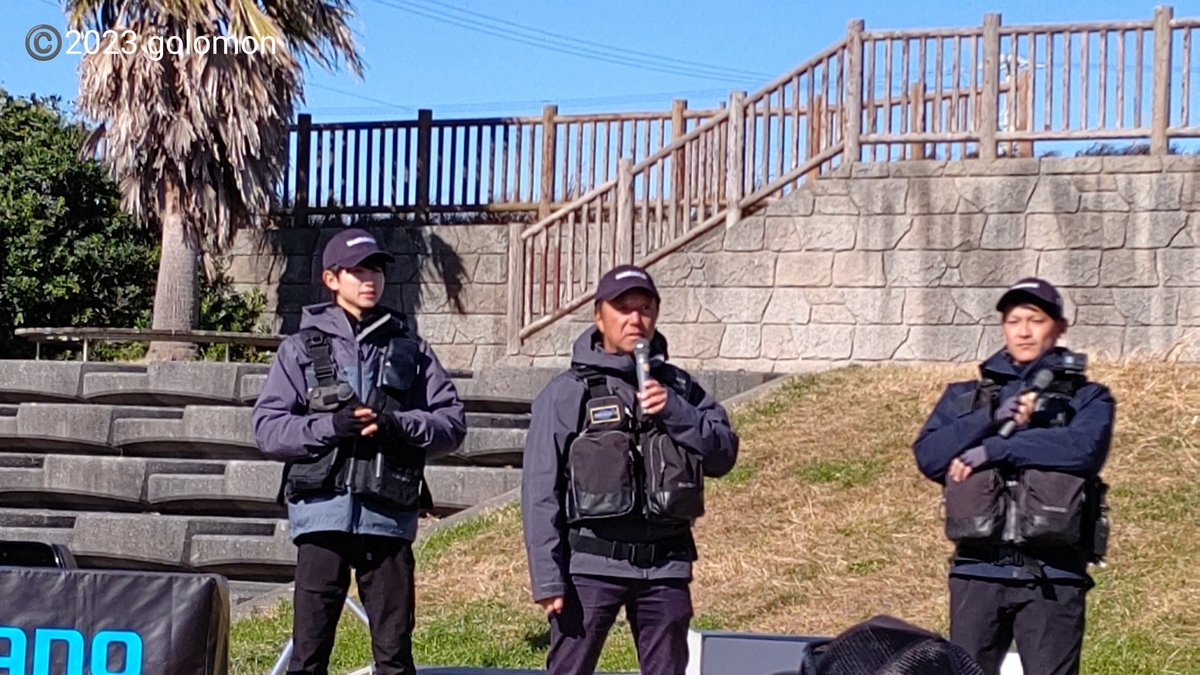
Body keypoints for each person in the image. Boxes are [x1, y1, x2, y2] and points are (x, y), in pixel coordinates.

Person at [253, 228, 467, 675]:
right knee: (308, 656)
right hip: (321, 520)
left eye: (376, 270)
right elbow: (268, 430)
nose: (370, 279)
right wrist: (331, 426)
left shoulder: (412, 349)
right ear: (331, 279)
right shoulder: (299, 349)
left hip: (388, 521)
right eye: (358, 271)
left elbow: (452, 425)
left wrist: (396, 425)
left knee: (394, 657)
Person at [521, 264, 739, 675]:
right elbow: (539, 490)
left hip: (666, 569)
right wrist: (548, 578)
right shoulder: (567, 392)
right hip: (589, 569)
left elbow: (723, 455)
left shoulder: (681, 390)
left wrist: (675, 411)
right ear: (598, 316)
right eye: (623, 308)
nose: (636, 319)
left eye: (645, 308)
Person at [912, 278, 1115, 675]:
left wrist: (996, 449)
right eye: (1013, 321)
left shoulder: (1088, 398)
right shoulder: (965, 398)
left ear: (1059, 328)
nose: (1023, 331)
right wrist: (989, 418)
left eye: (1036, 320)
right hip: (976, 575)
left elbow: (1083, 450)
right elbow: (929, 457)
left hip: (1054, 578)